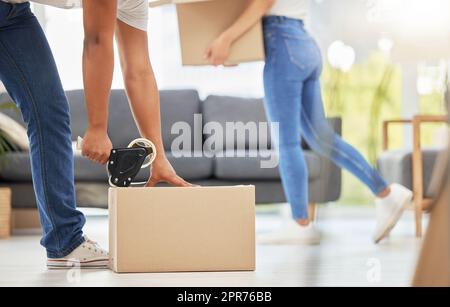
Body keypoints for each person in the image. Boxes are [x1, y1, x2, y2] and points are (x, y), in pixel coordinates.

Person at [0, 0, 191, 269]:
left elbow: (138, 70)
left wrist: (157, 155)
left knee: (49, 111)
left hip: (13, 12)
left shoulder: (136, 3)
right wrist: (98, 128)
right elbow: (96, 41)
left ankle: (64, 242)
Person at [205, 0, 413, 244]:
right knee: (321, 137)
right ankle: (386, 193)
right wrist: (236, 45)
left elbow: (262, 3)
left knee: (287, 143)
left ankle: (300, 223)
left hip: (282, 42)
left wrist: (227, 38)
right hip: (302, 41)